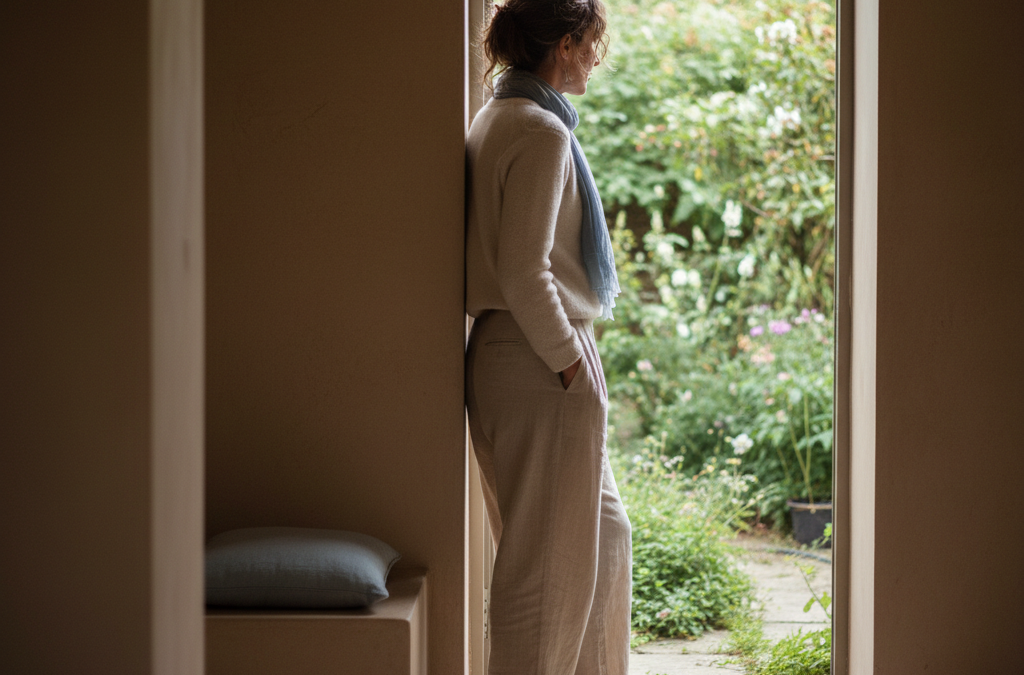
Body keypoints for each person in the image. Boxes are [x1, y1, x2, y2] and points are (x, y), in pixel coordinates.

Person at [464, 1, 632, 673]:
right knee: (542, 580)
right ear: (564, 45)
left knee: (606, 537)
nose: (596, 57)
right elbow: (523, 270)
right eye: (591, 43)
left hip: (516, 352)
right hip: (539, 357)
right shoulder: (540, 130)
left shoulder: (498, 115)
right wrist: (568, 364)